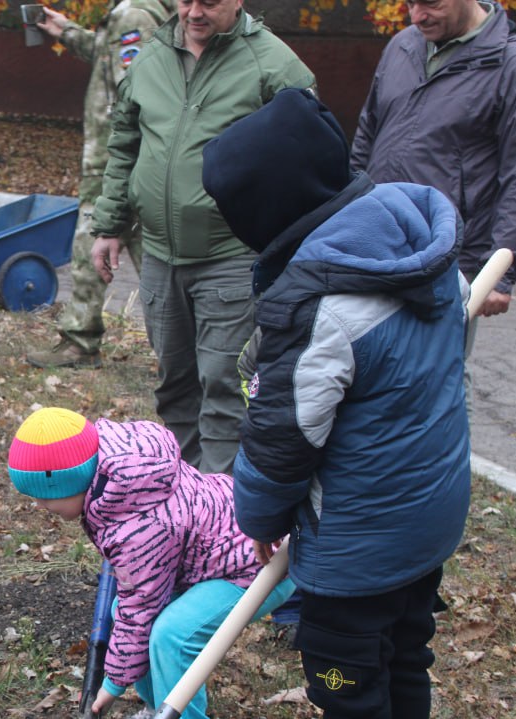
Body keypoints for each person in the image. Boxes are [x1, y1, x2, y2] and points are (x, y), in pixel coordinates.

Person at [203, 87, 471, 719]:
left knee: (349, 685)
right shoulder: (419, 245)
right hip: (430, 510)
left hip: (360, 537)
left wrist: (258, 516)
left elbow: (284, 438)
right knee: (405, 655)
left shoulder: (321, 304)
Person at [7, 407, 293, 719]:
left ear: (69, 481)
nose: (41, 508)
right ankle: (163, 710)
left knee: (170, 635)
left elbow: (141, 609)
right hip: (205, 556)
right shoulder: (111, 470)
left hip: (256, 564)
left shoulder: (138, 525)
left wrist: (112, 683)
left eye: (45, 499)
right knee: (123, 617)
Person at [87, 0, 314, 474]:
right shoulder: (150, 57)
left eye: (208, 2)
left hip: (232, 255)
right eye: (185, 0)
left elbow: (311, 156)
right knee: (175, 384)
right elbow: (125, 140)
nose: (193, 12)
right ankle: (186, 493)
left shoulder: (274, 65)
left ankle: (223, 511)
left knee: (224, 387)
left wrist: (287, 238)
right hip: (160, 256)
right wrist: (110, 225)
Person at [24, 0, 175, 370]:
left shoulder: (135, 14)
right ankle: (84, 339)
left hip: (117, 160)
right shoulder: (134, 11)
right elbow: (114, 58)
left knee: (126, 251)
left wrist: (123, 169)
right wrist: (67, 31)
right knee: (130, 252)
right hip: (121, 160)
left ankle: (87, 342)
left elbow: (138, 93)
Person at [350, 0, 516, 320]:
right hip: (376, 242)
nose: (417, 17)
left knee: (439, 365)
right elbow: (367, 135)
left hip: (447, 255)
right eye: (410, 3)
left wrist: (500, 271)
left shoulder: (512, 62)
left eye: (431, 3)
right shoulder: (403, 44)